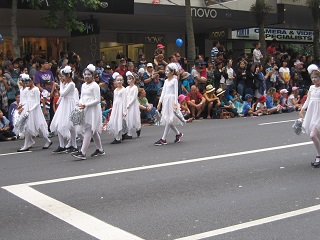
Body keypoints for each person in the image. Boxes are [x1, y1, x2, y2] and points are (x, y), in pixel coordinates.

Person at [71, 64, 104, 160]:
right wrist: (80, 104)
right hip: (85, 109)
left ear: (93, 75)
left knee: (88, 129)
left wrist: (87, 105)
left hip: (93, 109)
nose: (86, 76)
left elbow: (97, 100)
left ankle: (82, 152)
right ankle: (100, 149)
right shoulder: (83, 85)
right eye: (85, 74)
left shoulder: (95, 86)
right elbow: (82, 97)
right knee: (92, 130)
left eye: (88, 74)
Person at [16, 74, 52, 152]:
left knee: (38, 125)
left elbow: (37, 102)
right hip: (28, 108)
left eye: (28, 81)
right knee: (27, 126)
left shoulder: (36, 89)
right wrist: (21, 106)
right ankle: (27, 144)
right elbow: (25, 100)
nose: (27, 83)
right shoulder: (27, 90)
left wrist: (30, 109)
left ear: (32, 81)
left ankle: (47, 140)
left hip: (34, 110)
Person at [50, 66, 78, 154]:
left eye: (64, 76)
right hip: (64, 105)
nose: (63, 78)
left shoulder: (71, 84)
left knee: (71, 126)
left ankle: (74, 145)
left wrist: (60, 84)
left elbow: (62, 93)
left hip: (69, 104)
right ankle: (62, 145)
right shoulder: (66, 84)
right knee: (59, 124)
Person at [155, 63, 183, 146]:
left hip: (171, 100)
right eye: (166, 70)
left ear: (172, 72)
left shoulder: (174, 80)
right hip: (166, 101)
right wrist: (160, 102)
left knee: (169, 119)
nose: (166, 72)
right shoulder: (166, 81)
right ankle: (178, 134)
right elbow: (163, 93)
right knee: (168, 119)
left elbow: (175, 92)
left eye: (168, 71)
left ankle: (163, 139)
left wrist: (175, 103)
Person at [300, 65, 320, 167]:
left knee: (313, 135)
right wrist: (303, 109)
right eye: (312, 78)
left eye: (316, 77)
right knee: (317, 136)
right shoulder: (311, 88)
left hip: (319, 115)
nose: (314, 80)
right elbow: (308, 100)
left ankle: (319, 155)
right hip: (312, 113)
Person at [108, 75, 127, 144]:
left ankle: (118, 137)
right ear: (115, 81)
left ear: (123, 81)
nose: (119, 82)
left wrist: (124, 110)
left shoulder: (124, 90)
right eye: (117, 80)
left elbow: (125, 100)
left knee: (119, 121)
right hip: (116, 107)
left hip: (121, 106)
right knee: (115, 120)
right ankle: (117, 136)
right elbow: (114, 99)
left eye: (120, 80)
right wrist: (113, 107)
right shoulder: (115, 90)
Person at [124, 71, 141, 139]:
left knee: (133, 116)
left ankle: (137, 128)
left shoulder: (135, 88)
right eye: (127, 79)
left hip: (133, 104)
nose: (128, 80)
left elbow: (134, 97)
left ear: (134, 79)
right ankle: (129, 132)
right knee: (128, 117)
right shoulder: (126, 88)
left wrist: (129, 104)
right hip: (127, 103)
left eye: (130, 79)